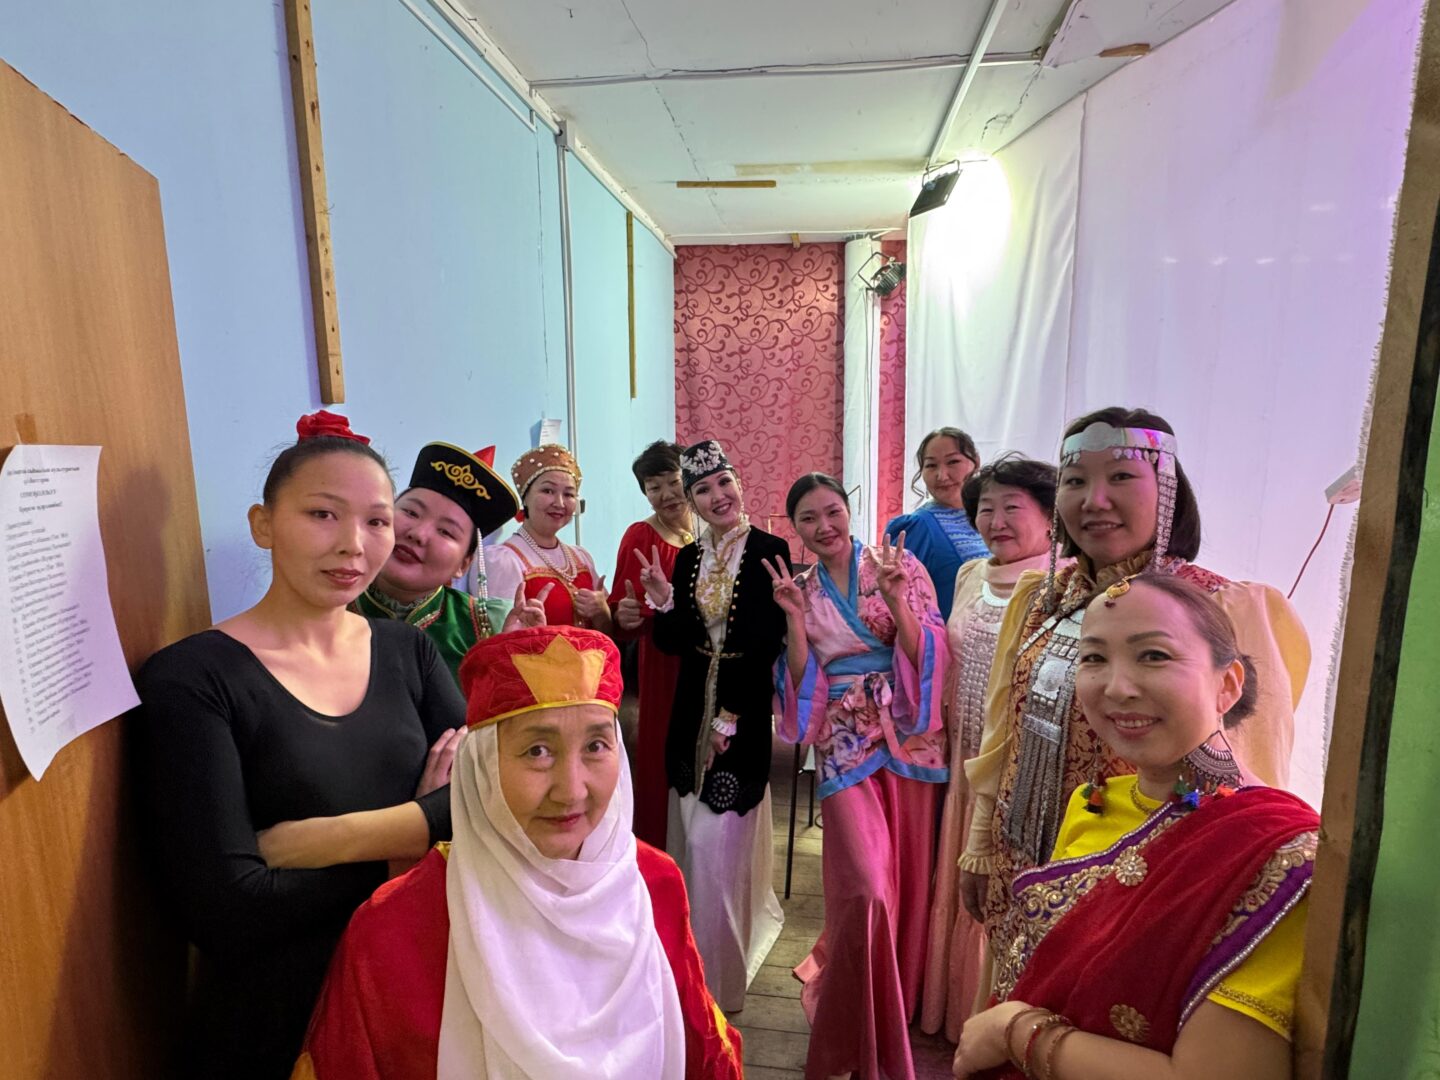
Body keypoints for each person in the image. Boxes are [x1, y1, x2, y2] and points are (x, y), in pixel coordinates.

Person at [135, 412, 467, 1080]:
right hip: (281, 1020)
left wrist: (322, 841)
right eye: (322, 514)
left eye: (376, 521)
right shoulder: (192, 679)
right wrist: (412, 845)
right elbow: (229, 909)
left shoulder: (409, 653)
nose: (353, 545)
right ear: (263, 524)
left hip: (422, 997)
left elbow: (489, 798)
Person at [959, 407, 1311, 1005]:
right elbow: (1005, 732)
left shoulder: (1222, 609)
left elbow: (1252, 767)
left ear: (1167, 488)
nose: (1094, 500)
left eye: (1121, 476)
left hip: (1143, 881)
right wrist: (980, 840)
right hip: (1021, 865)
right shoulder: (1041, 598)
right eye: (1075, 481)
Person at [291, 626, 744, 1080]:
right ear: (482, 767)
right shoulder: (396, 925)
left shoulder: (652, 881)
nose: (572, 790)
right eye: (537, 751)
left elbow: (703, 1050)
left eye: (595, 746)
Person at [952, 574, 1319, 1080]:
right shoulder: (1093, 802)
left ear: (1228, 685)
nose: (1117, 688)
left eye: (1153, 656)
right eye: (1094, 658)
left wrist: (1014, 1032)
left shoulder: (1278, 855)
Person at [769, 472, 950, 1080]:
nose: (823, 526)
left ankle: (898, 1005)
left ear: (849, 511)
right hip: (844, 739)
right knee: (866, 887)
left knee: (909, 879)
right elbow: (801, 680)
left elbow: (930, 650)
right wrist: (794, 621)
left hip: (909, 729)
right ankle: (858, 1017)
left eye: (831, 511)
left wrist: (897, 600)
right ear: (795, 529)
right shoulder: (801, 590)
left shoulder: (897, 566)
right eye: (808, 519)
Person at [638, 439, 789, 1012]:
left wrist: (729, 720)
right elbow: (675, 643)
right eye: (703, 489)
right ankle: (689, 970)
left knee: (715, 848)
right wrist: (663, 602)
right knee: (690, 843)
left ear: (739, 484)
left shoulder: (770, 550)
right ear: (693, 501)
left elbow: (767, 643)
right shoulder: (688, 559)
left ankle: (720, 987)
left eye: (723, 482)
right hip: (688, 711)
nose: (717, 496)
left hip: (741, 715)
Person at [922, 454, 1064, 1042]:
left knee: (1000, 886)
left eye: (1012, 508)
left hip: (1020, 769)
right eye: (986, 508)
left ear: (1050, 517)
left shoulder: (1063, 583)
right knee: (956, 876)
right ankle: (947, 1003)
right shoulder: (969, 574)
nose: (996, 521)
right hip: (961, 756)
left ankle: (992, 1021)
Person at [350, 442, 546, 680]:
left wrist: (514, 660)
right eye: (411, 513)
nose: (418, 534)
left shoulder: (489, 625)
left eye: (446, 532)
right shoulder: (326, 600)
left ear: (464, 564)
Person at [611, 439, 696, 848]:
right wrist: (623, 615)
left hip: (710, 662)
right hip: (663, 666)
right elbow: (620, 611)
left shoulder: (709, 530)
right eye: (653, 487)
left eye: (673, 482)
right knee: (663, 757)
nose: (666, 494)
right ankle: (660, 852)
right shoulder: (641, 536)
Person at [486, 444, 611, 631]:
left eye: (569, 494)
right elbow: (499, 639)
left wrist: (602, 613)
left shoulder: (581, 558)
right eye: (548, 491)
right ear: (525, 498)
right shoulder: (503, 560)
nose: (560, 503)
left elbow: (607, 638)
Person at [883, 427, 990, 620]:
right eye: (931, 465)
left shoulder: (989, 516)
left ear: (975, 462)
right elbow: (900, 604)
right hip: (948, 636)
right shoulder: (917, 528)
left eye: (953, 462)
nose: (941, 475)